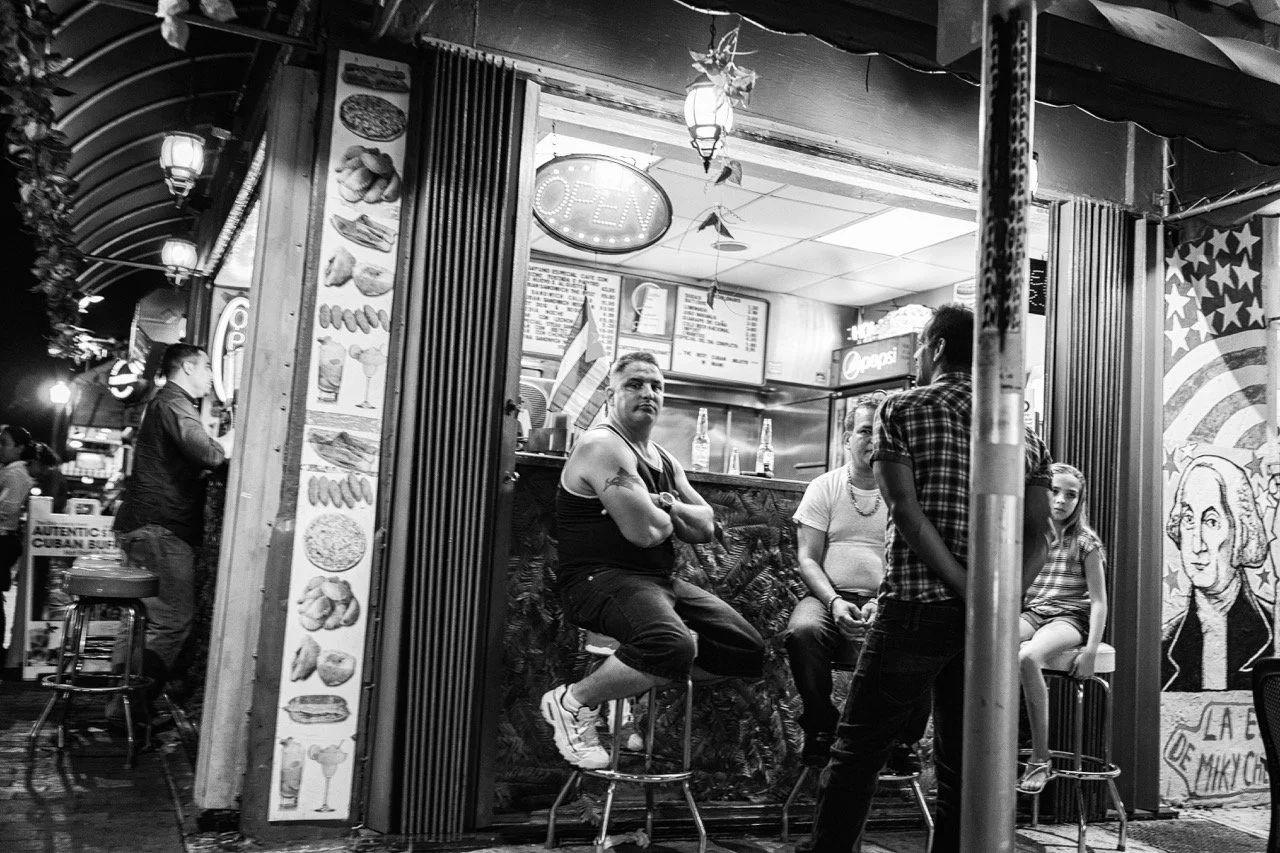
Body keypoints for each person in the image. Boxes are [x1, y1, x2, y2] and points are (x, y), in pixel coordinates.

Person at [809, 304, 1053, 853]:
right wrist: (995, 600)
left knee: (856, 754)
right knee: (962, 766)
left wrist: (967, 590)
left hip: (917, 607)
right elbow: (1041, 538)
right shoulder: (1023, 431)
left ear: (938, 348)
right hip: (986, 625)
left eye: (920, 345)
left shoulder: (903, 409)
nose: (917, 356)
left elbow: (907, 513)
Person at [541, 351, 765, 769]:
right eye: (635, 384)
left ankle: (629, 682)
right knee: (670, 645)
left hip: (656, 581)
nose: (648, 393)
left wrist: (665, 507)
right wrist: (672, 512)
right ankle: (574, 701)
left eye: (656, 386)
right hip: (598, 579)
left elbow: (705, 527)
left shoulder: (662, 458)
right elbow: (643, 533)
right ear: (611, 393)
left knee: (744, 649)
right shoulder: (602, 446)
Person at [784, 394, 924, 774]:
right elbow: (808, 558)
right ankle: (820, 726)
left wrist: (883, 599)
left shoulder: (903, 491)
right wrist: (832, 602)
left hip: (889, 598)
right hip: (829, 595)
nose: (873, 440)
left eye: (880, 433)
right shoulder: (824, 487)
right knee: (803, 631)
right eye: (865, 431)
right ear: (847, 439)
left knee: (924, 634)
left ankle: (901, 740)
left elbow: (911, 557)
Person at [108, 343, 231, 721]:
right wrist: (234, 437)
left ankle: (120, 708)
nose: (211, 376)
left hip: (143, 525)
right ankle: (131, 709)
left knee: (143, 619)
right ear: (188, 368)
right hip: (160, 527)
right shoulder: (173, 402)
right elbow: (208, 454)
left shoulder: (165, 402)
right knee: (172, 621)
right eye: (208, 367)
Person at [1016, 462, 1109, 795]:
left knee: (1028, 658)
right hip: (1033, 612)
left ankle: (1040, 757)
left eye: (1071, 495)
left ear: (1079, 502)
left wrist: (1090, 650)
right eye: (1054, 491)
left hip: (1069, 618)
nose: (1061, 500)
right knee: (990, 645)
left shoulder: (1085, 543)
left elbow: (1098, 601)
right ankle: (998, 744)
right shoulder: (1030, 536)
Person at [1162, 454, 1273, 691]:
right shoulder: (1163, 644)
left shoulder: (1273, 631)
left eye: (1211, 522)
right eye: (1189, 520)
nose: (1196, 545)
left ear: (1240, 532)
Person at [0, 425, 35, 645]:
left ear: (19, 448)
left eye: (5, 443)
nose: (0, 447)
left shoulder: (15, 473)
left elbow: (9, 508)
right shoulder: (10, 470)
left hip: (3, 539)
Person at [28, 442, 68, 513]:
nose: (28, 466)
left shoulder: (52, 476)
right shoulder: (50, 475)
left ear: (38, 461)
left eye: (31, 462)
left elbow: (49, 501)